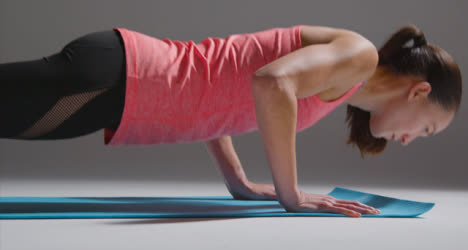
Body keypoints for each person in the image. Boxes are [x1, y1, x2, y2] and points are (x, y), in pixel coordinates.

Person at [0, 24, 462, 217]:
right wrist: (290, 195)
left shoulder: (345, 79)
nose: (410, 140)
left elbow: (226, 89)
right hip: (120, 76)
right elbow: (270, 83)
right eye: (426, 128)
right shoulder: (357, 57)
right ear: (419, 91)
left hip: (121, 88)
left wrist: (238, 181)